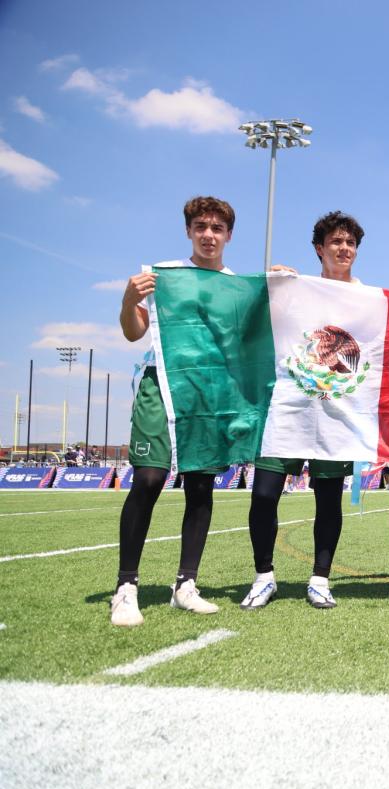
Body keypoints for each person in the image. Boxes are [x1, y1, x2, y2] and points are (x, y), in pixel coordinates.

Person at [110, 196, 237, 627]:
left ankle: (185, 584)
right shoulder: (164, 275)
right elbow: (133, 333)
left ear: (229, 235)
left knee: (200, 485)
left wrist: (277, 283)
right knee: (148, 478)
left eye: (217, 228)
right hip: (162, 384)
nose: (208, 235)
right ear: (188, 231)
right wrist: (128, 301)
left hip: (208, 391)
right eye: (201, 226)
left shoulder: (235, 286)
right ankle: (126, 587)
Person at [238, 211, 363, 612]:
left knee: (328, 500)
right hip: (288, 405)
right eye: (336, 241)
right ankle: (263, 577)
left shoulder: (367, 298)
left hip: (336, 411)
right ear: (319, 249)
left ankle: (320, 580)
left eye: (350, 243)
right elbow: (252, 326)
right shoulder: (296, 289)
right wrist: (270, 285)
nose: (344, 248)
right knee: (263, 494)